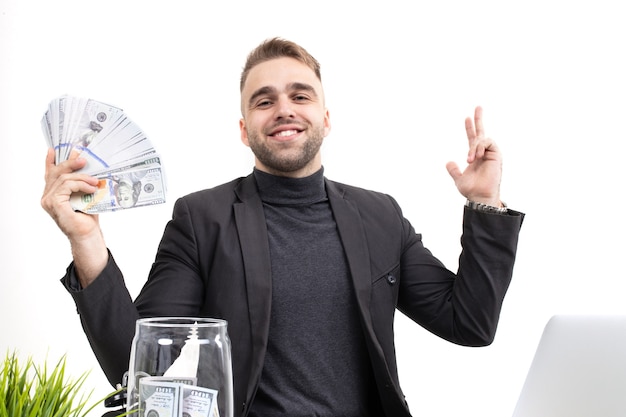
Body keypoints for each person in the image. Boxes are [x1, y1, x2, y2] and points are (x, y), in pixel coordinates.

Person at [41, 37, 524, 417]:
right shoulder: (202, 219)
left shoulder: (381, 217)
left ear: (326, 118)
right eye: (263, 101)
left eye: (300, 95)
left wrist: (485, 205)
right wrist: (86, 240)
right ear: (244, 128)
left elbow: (470, 324)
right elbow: (137, 367)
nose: (284, 110)